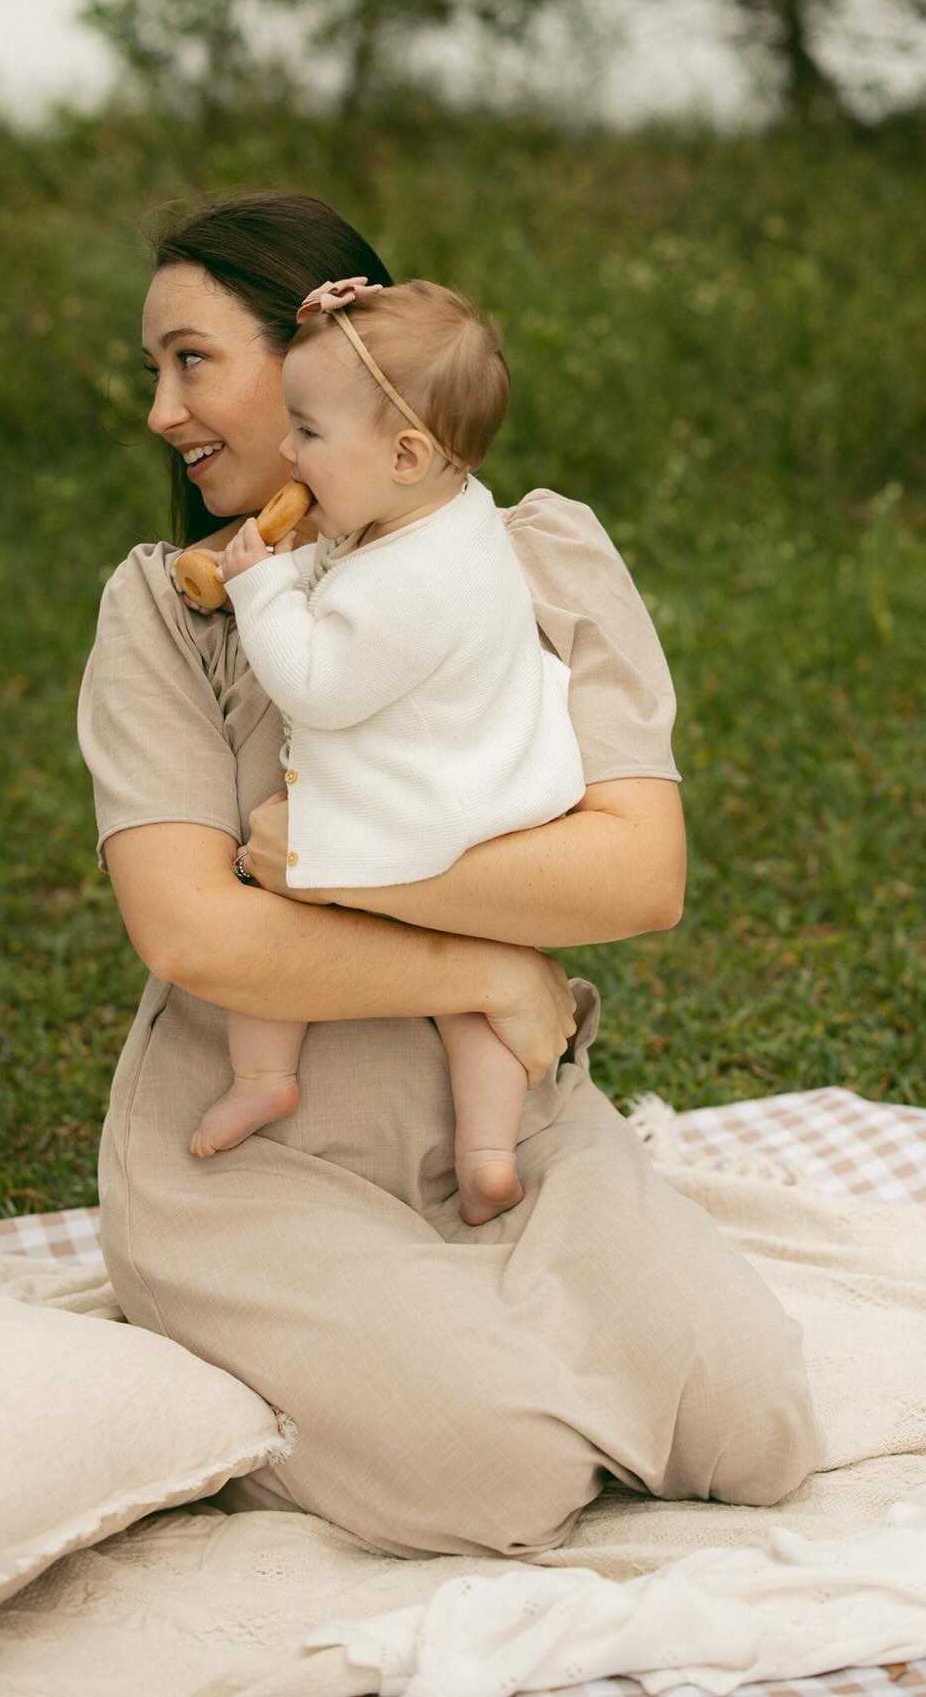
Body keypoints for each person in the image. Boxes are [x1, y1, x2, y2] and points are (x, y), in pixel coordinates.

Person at [76, 190, 825, 1560]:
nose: (161, 414)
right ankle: (262, 1367)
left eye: (194, 362)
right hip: (261, 1159)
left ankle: (459, 1323)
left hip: (514, 1116)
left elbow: (634, 876)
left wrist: (327, 868)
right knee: (496, 1476)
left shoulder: (535, 558)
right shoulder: (173, 610)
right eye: (155, 371)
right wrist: (482, 954)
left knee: (754, 1431)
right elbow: (196, 929)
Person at [183, 272, 589, 1228]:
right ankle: (489, 1155)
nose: (286, 451)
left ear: (406, 452)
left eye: (309, 435)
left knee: (272, 903)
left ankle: (264, 1073)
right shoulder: (443, 518)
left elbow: (320, 688)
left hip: (409, 809)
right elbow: (358, 570)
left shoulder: (410, 577)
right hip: (482, 791)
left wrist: (262, 592)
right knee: (472, 988)